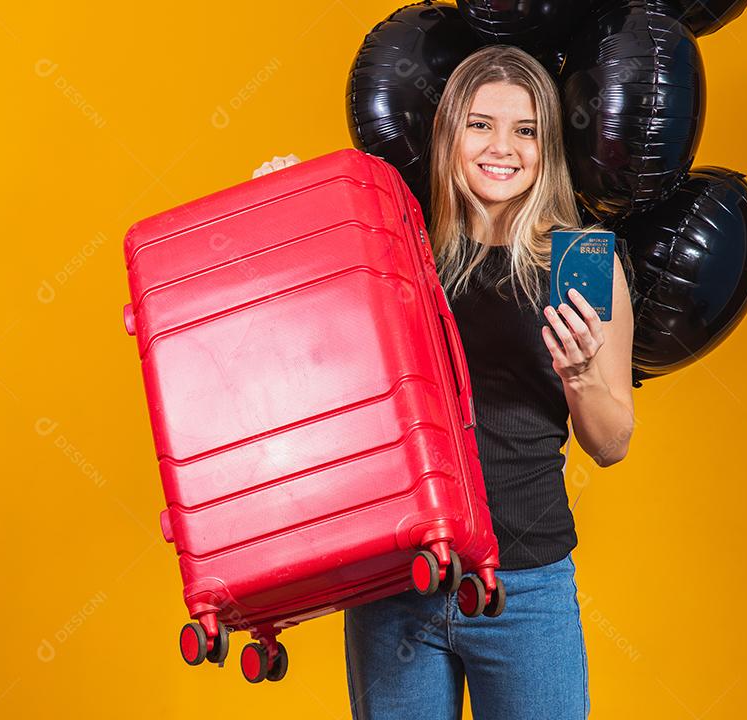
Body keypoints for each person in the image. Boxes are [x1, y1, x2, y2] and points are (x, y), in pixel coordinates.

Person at [252, 45, 634, 719]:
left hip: (525, 586)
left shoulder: (582, 262)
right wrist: (284, 203)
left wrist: (578, 377)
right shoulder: (399, 244)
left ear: (547, 146)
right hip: (399, 576)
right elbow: (305, 342)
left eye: (526, 131)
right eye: (480, 124)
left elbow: (612, 442)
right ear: (449, 133)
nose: (503, 148)